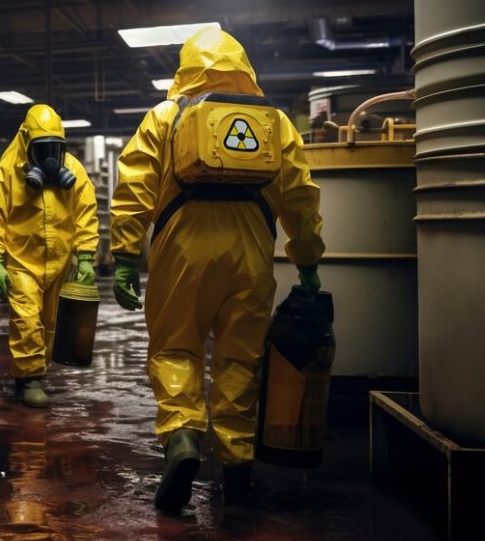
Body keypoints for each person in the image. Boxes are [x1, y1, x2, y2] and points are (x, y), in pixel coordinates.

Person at [110, 27, 325, 510]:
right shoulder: (276, 123)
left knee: (176, 348)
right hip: (251, 255)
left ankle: (183, 438)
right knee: (238, 360)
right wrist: (307, 258)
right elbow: (300, 194)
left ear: (185, 69)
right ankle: (237, 467)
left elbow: (134, 187)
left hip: (181, 253)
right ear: (245, 67)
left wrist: (124, 255)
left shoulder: (165, 116)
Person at [0, 104, 99, 408]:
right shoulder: (9, 171)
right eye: (41, 148)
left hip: (60, 262)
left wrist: (85, 256)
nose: (49, 157)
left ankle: (36, 370)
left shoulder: (73, 169)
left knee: (51, 323)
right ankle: (29, 378)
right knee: (26, 319)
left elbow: (86, 213)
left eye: (55, 148)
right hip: (22, 261)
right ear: (26, 143)